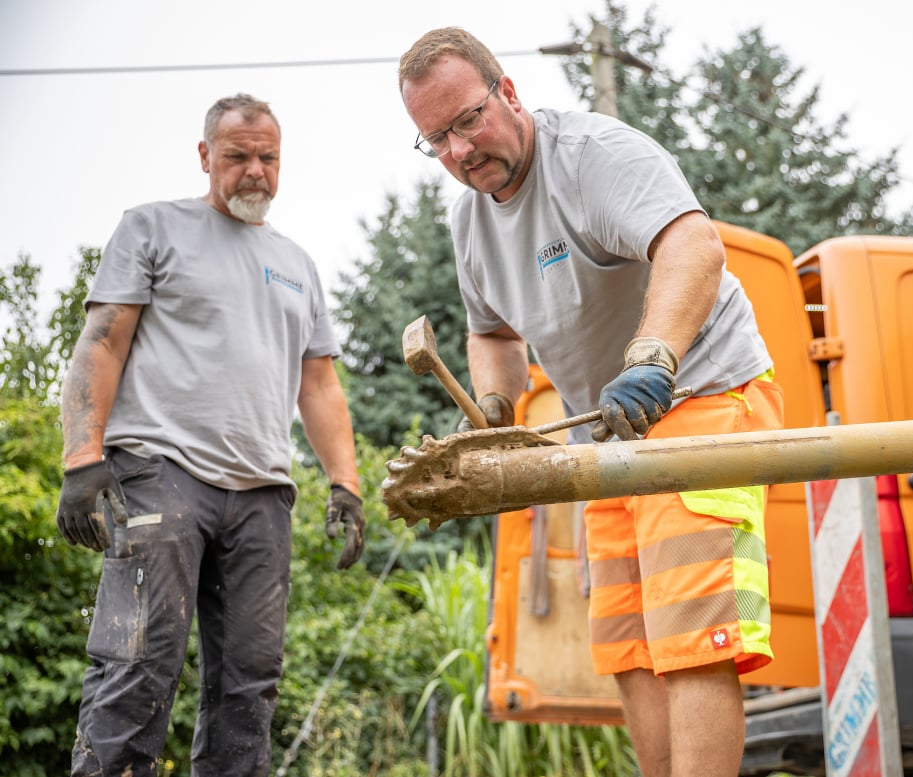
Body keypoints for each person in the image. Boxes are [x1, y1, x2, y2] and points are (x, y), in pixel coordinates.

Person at [399, 28, 785, 777]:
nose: (458, 149)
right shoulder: (469, 219)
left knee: (690, 632)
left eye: (467, 119)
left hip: (702, 391)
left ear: (507, 91)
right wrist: (493, 409)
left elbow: (694, 246)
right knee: (629, 643)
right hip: (608, 433)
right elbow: (493, 335)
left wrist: (652, 358)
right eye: (435, 138)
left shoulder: (595, 157)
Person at [54, 93, 365, 776]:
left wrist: (346, 484)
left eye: (268, 157)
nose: (255, 170)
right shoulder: (153, 228)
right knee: (137, 662)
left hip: (262, 494)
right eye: (237, 156)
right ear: (205, 156)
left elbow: (319, 386)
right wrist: (82, 456)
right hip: (159, 474)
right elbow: (102, 342)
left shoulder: (297, 263)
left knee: (249, 687)